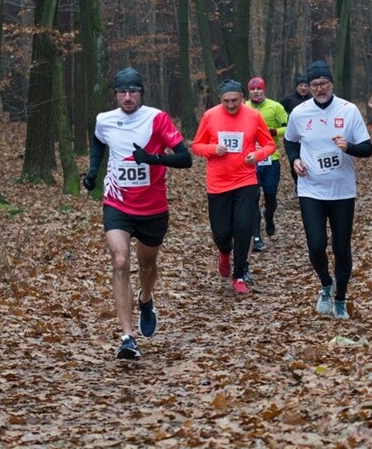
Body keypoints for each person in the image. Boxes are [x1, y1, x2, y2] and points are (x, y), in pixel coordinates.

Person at [82, 67, 193, 360]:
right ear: (115, 94)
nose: (127, 97)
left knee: (147, 266)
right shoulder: (104, 120)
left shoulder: (157, 118)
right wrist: (93, 171)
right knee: (120, 261)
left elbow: (186, 158)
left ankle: (146, 299)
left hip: (152, 207)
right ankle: (127, 338)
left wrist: (153, 159)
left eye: (132, 92)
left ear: (141, 93)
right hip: (117, 203)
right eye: (122, 92)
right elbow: (98, 141)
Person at [284, 61, 372, 320]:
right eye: (314, 84)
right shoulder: (299, 113)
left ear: (331, 83)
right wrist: (294, 160)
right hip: (311, 189)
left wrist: (348, 147)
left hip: (342, 191)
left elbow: (367, 149)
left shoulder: (349, 110)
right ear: (308, 87)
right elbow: (290, 142)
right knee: (316, 246)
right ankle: (326, 283)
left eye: (323, 83)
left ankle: (341, 298)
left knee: (342, 248)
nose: (319, 88)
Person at [192, 79, 276, 295]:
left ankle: (239, 275)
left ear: (242, 98)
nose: (231, 105)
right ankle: (224, 252)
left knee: (243, 227)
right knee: (221, 232)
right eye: (226, 101)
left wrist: (256, 155)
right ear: (220, 100)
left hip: (245, 180)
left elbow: (269, 145)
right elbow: (196, 146)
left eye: (235, 100)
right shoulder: (210, 116)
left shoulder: (253, 116)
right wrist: (212, 149)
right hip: (218, 183)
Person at [246, 77, 288, 247]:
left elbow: (289, 127)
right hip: (250, 160)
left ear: (264, 89)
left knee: (270, 198)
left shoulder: (276, 107)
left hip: (271, 160)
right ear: (249, 91)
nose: (256, 92)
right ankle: (256, 236)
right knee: (253, 199)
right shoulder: (244, 107)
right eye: (252, 89)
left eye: (259, 88)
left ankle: (269, 216)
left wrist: (274, 132)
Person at [280, 74, 311, 193]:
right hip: (294, 135)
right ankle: (297, 184)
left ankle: (308, 184)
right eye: (301, 85)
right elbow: (279, 111)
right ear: (296, 87)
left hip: (309, 134)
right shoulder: (289, 99)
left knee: (308, 160)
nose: (303, 88)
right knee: (295, 160)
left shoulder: (312, 99)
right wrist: (284, 123)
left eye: (305, 85)